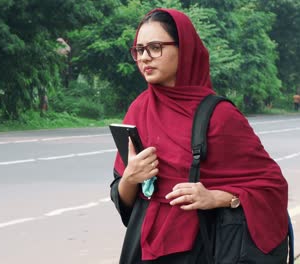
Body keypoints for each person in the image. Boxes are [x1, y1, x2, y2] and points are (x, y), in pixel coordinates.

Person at [110, 8, 288, 264]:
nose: (145, 58)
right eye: (139, 50)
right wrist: (130, 177)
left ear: (185, 49)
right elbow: (124, 198)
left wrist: (216, 197)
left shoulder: (220, 115)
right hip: (142, 247)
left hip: (202, 248)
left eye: (156, 47)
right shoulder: (139, 109)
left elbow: (271, 186)